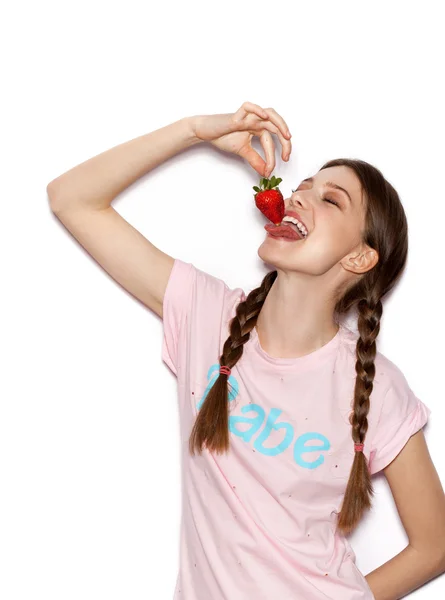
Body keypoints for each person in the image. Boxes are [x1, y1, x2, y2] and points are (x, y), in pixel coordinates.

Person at [47, 102, 445, 600]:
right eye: (302, 188)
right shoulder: (206, 316)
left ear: (360, 256)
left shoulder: (379, 388)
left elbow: (435, 544)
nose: (299, 198)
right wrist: (193, 130)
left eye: (331, 200)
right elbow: (71, 199)